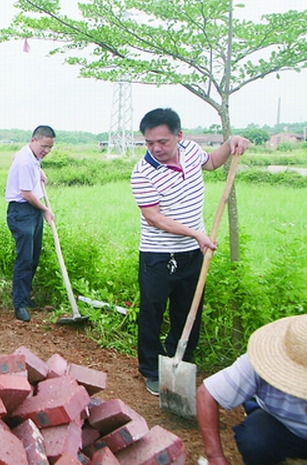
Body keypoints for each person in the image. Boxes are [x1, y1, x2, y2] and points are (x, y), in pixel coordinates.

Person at [131, 108, 250, 395]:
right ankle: (151, 369)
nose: (156, 148)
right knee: (152, 311)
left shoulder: (191, 150)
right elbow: (154, 218)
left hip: (194, 253)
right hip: (158, 255)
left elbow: (210, 163)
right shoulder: (143, 173)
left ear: (179, 136)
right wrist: (196, 233)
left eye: (162, 141)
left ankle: (179, 359)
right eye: (149, 143)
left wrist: (230, 142)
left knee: (189, 309)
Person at [197, 314, 307, 465]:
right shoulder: (265, 357)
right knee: (255, 440)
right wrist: (215, 457)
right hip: (281, 425)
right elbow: (207, 393)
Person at [5, 126, 56, 322]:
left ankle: (25, 296)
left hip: (33, 210)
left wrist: (40, 169)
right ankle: (19, 304)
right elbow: (26, 193)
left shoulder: (32, 156)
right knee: (25, 259)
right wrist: (45, 210)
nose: (46, 151)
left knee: (33, 257)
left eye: (50, 148)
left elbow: (24, 162)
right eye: (44, 146)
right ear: (33, 140)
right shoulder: (25, 160)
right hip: (22, 211)